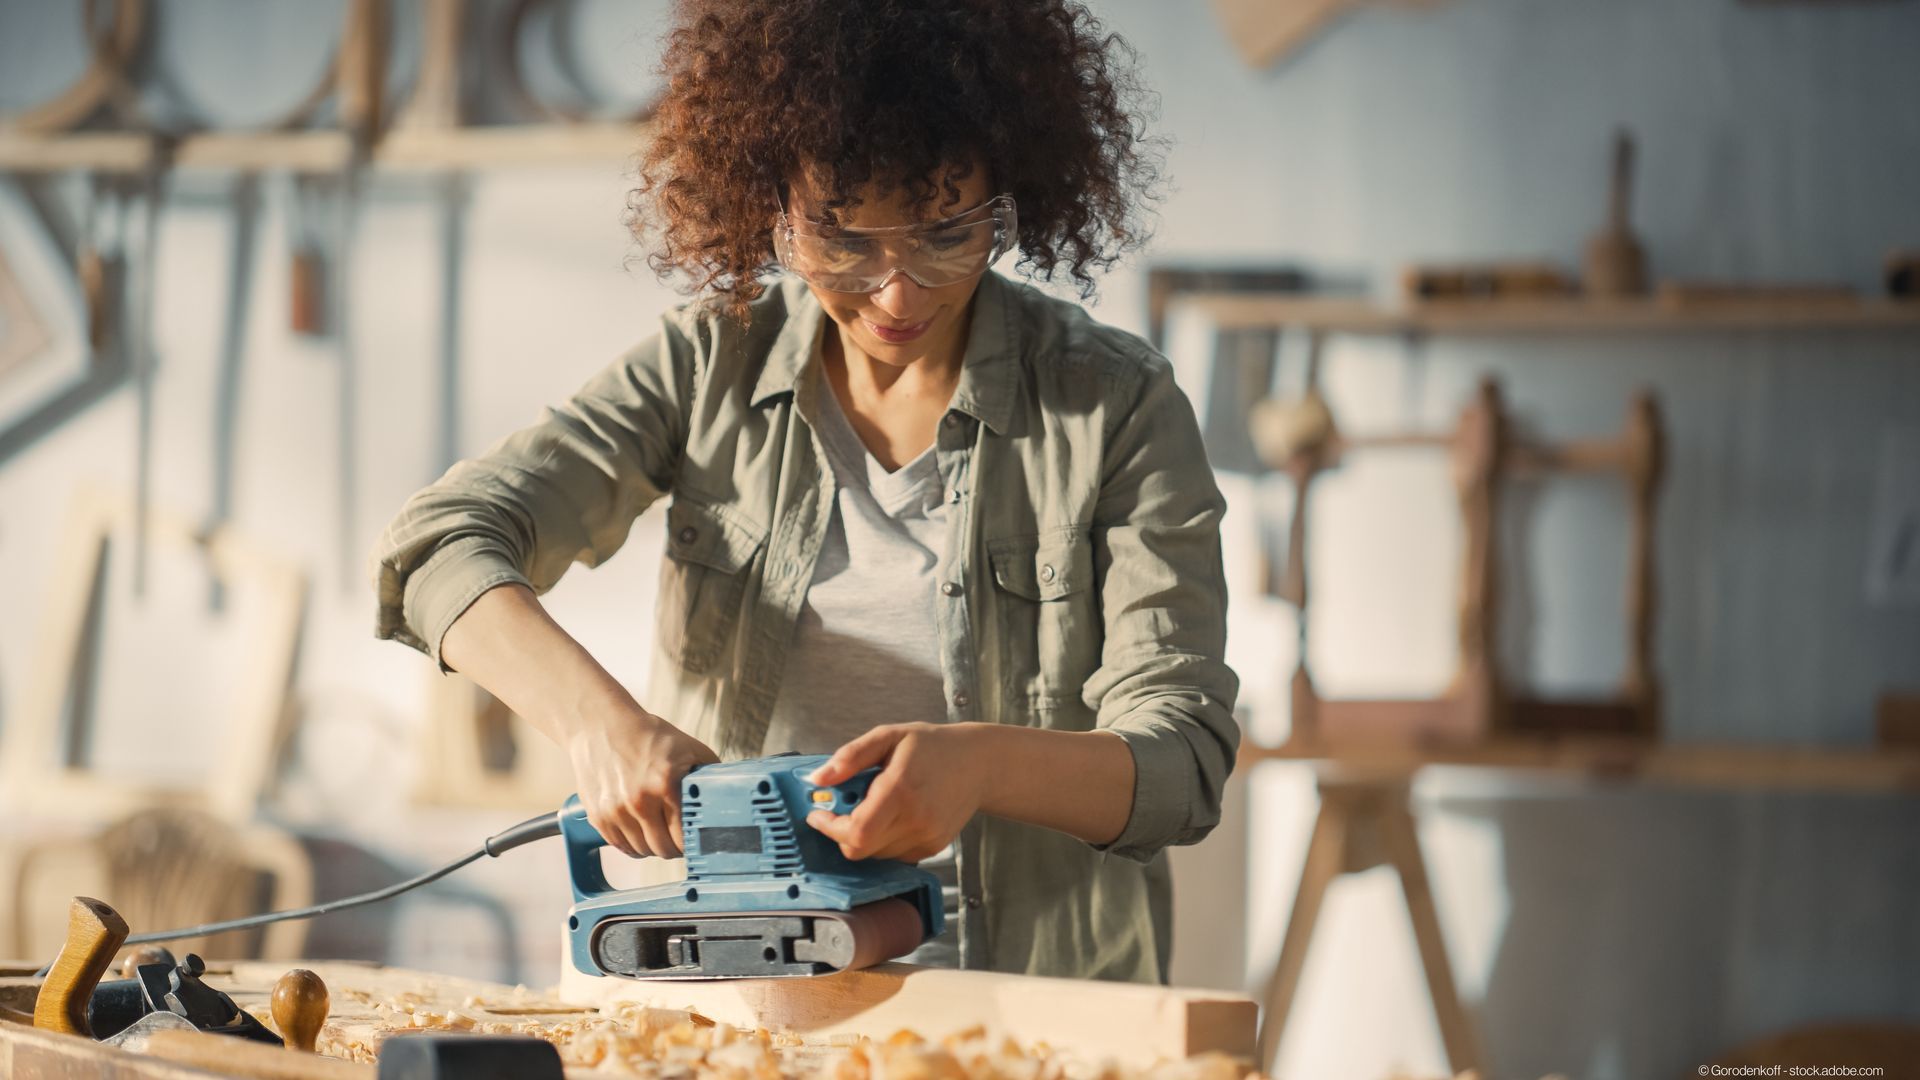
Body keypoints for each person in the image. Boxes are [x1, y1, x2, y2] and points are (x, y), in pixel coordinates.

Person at [372, 0, 1237, 984]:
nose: (897, 294)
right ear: (771, 208)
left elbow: (1182, 762)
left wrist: (981, 765)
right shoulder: (710, 367)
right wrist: (597, 725)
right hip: (734, 996)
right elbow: (438, 545)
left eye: (947, 235)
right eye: (843, 242)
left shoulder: (1114, 405)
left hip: (1020, 998)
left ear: (1011, 192)